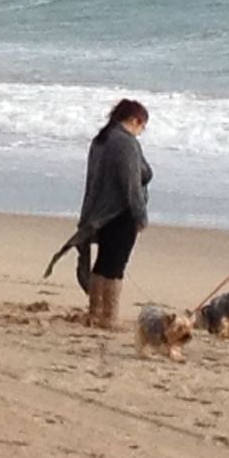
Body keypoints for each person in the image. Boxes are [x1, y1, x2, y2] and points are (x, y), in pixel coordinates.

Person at [44, 98, 152, 329]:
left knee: (103, 263)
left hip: (100, 211)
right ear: (134, 120)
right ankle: (109, 316)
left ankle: (95, 312)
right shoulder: (124, 142)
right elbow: (130, 184)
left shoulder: (101, 140)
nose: (141, 132)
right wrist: (140, 216)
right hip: (120, 212)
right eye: (142, 126)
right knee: (115, 266)